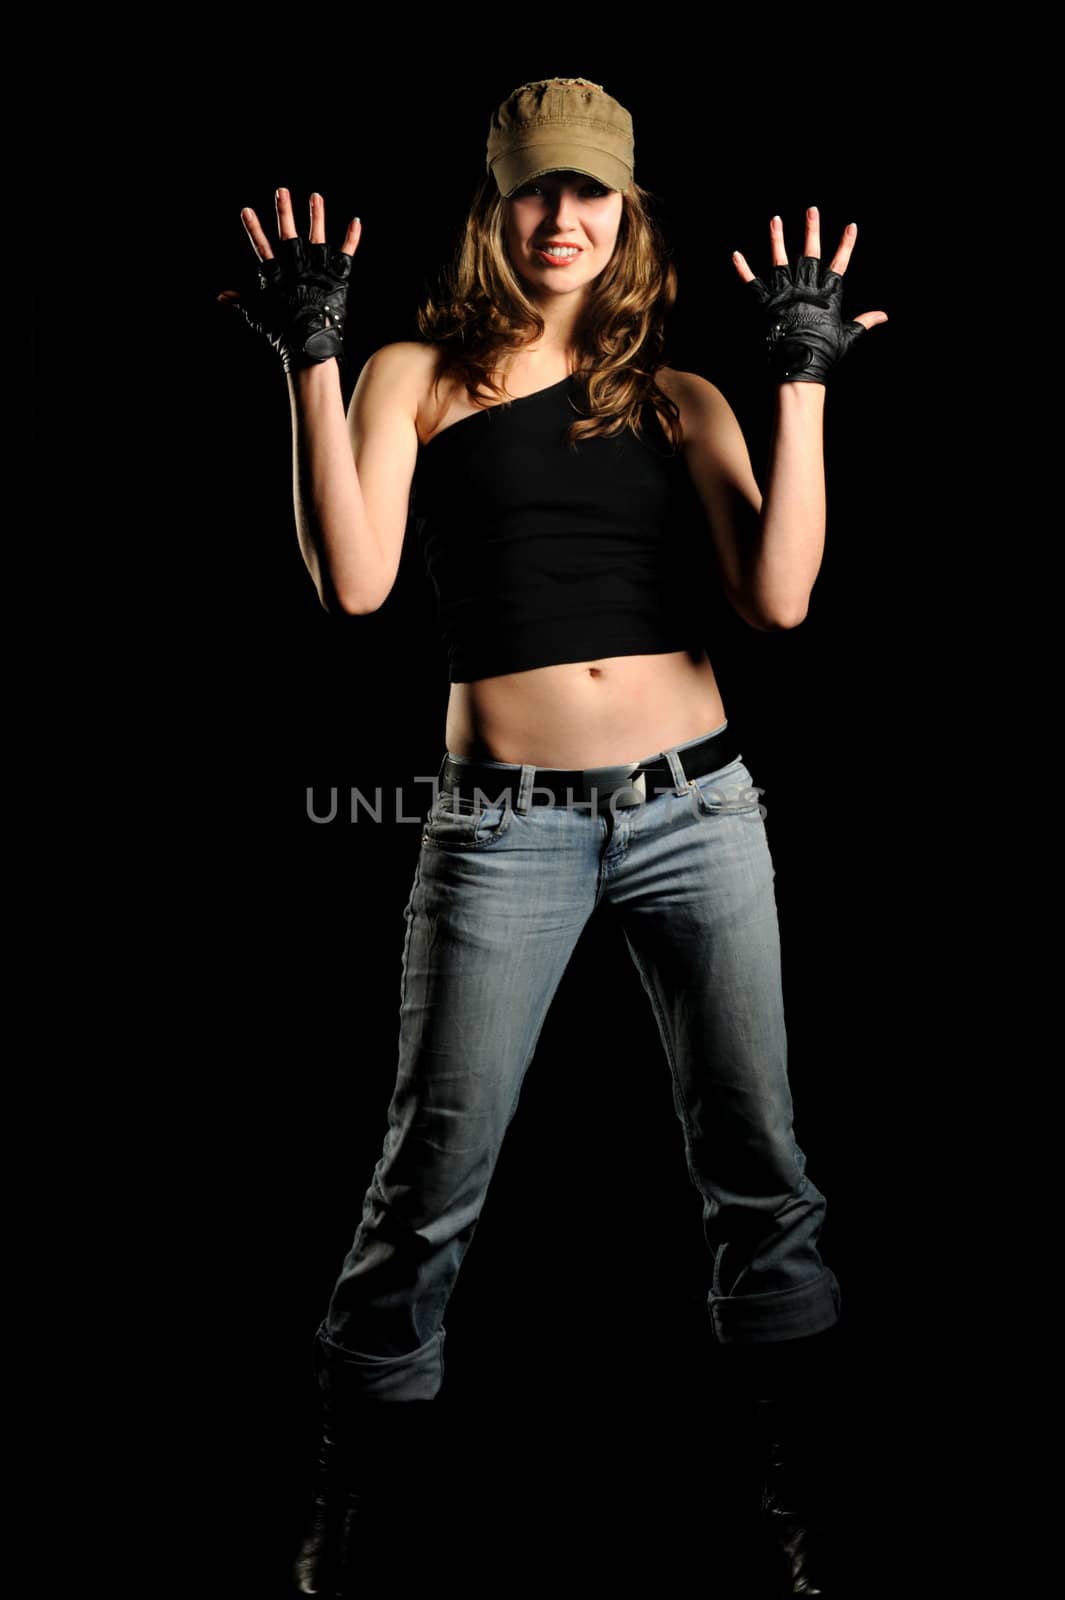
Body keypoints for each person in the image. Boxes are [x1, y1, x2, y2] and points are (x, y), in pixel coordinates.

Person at [219, 75, 887, 1598]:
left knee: (758, 1162)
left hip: (695, 810)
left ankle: (810, 1510)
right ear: (494, 208)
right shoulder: (415, 374)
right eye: (536, 191)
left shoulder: (681, 396)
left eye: (591, 192)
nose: (564, 217)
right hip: (499, 827)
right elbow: (357, 584)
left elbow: (778, 601)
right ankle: (353, 1513)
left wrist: (805, 381)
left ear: (627, 210)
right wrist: (312, 363)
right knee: (429, 1172)